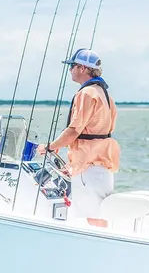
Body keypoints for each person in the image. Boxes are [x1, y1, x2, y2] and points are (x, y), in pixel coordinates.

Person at [37, 48, 120, 227]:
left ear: (83, 68)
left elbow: (75, 129)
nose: (70, 70)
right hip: (103, 165)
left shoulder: (86, 93)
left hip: (88, 167)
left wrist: (51, 146)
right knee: (100, 216)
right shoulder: (104, 94)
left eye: (72, 66)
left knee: (92, 218)